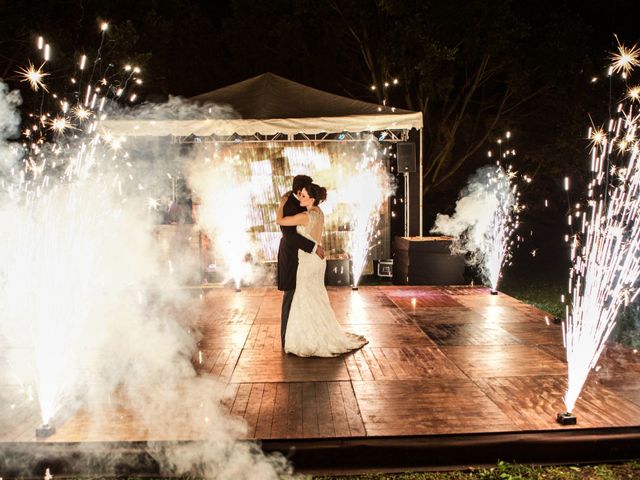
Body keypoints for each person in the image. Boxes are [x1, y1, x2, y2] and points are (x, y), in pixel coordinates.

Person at [277, 182, 368, 357]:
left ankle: (307, 338)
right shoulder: (319, 213)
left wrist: (281, 204)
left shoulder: (305, 216)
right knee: (316, 297)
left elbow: (280, 221)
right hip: (318, 261)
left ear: (312, 199)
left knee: (304, 297)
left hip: (307, 262)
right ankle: (319, 333)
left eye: (303, 196)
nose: (300, 198)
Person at [277, 175, 325, 351]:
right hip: (291, 258)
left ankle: (305, 337)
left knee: (304, 299)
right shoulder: (290, 203)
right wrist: (314, 247)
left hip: (305, 259)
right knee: (290, 298)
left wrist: (314, 246)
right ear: (300, 190)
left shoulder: (308, 207)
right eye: (305, 190)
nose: (305, 193)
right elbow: (289, 236)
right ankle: (286, 341)